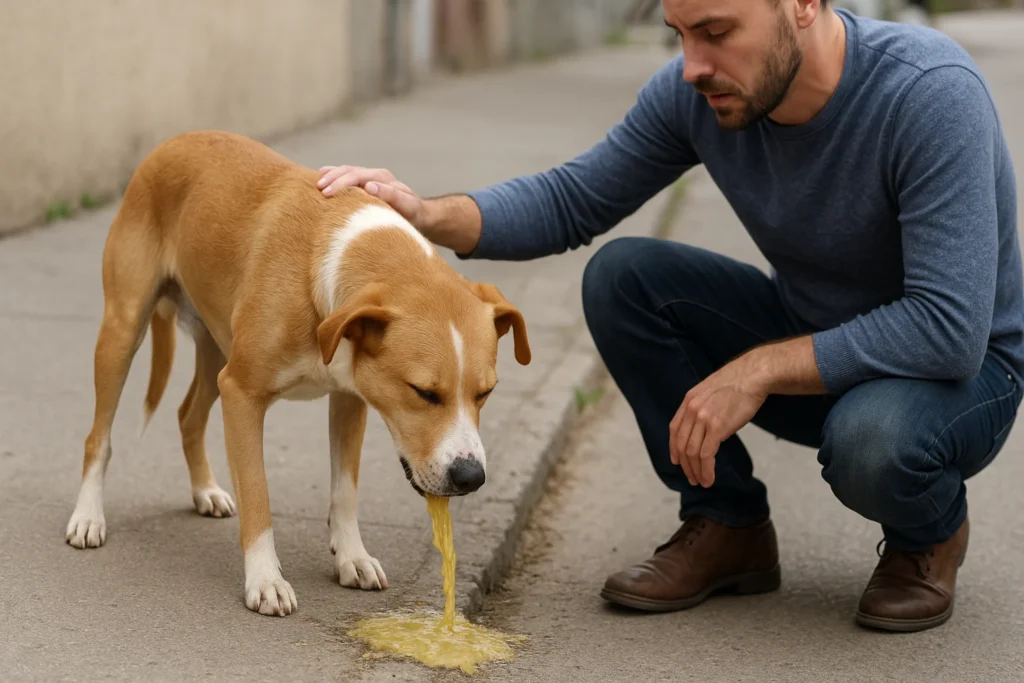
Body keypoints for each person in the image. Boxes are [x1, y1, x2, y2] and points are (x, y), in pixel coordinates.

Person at [316, 0, 1022, 633]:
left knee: (870, 438)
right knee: (624, 277)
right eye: (679, 33)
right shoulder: (702, 91)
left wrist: (758, 367)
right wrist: (424, 212)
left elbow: (947, 328)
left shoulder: (928, 94)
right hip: (816, 333)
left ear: (804, 5)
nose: (693, 65)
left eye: (716, 32)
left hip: (959, 378)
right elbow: (572, 200)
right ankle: (728, 524)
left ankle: (927, 534)